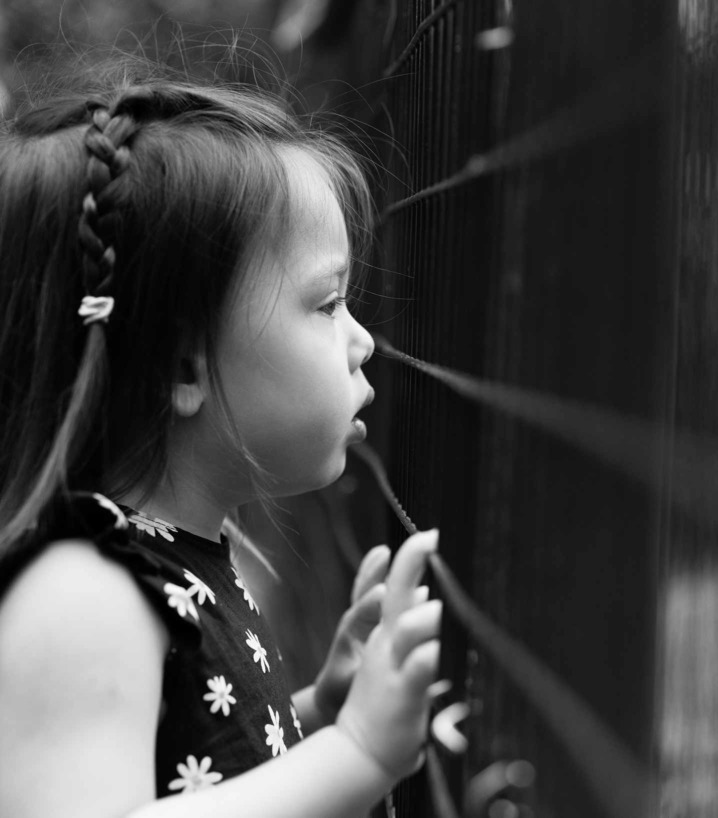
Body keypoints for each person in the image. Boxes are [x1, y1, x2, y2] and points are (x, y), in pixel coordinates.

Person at [0, 58, 441, 817]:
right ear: (183, 365)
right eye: (328, 302)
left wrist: (318, 717)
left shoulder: (177, 555)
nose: (363, 341)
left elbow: (188, 773)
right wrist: (355, 754)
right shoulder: (81, 599)